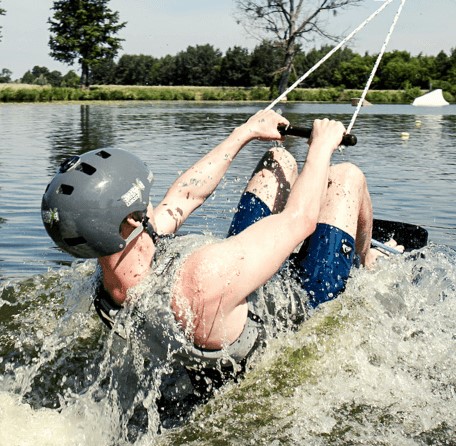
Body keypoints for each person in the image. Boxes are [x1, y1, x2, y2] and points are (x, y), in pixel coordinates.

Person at [41, 109, 378, 397]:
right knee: (346, 177)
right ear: (131, 218)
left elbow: (185, 195)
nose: (153, 203)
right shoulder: (203, 274)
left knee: (278, 160)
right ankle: (368, 260)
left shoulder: (111, 266)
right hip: (297, 308)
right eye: (146, 199)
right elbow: (300, 220)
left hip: (224, 303)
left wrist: (244, 132)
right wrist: (321, 146)